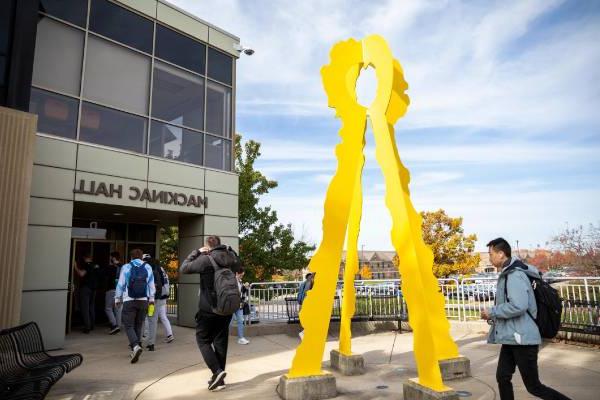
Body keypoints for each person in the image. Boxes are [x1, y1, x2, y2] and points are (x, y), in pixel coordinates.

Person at [481, 238, 571, 400]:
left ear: (501, 254)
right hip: (512, 337)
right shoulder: (509, 272)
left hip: (523, 339)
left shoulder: (514, 275)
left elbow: (519, 305)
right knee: (503, 377)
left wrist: (492, 312)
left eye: (491, 254)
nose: (490, 258)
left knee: (534, 387)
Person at [180, 235, 240, 392]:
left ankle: (217, 371)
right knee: (221, 342)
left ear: (207, 246)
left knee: (203, 339)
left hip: (209, 308)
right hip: (227, 308)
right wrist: (230, 249)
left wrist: (196, 252)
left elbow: (184, 268)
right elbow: (240, 265)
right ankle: (219, 381)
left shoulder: (205, 259)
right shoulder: (230, 257)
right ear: (220, 245)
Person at [115, 248, 155, 363]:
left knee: (128, 325)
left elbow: (121, 284)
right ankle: (136, 348)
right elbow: (151, 284)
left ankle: (135, 346)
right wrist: (151, 299)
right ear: (141, 257)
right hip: (143, 300)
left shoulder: (126, 267)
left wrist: (117, 298)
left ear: (131, 257)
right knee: (138, 324)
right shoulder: (147, 267)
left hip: (129, 300)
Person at [143, 255, 174, 350]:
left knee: (150, 318)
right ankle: (169, 334)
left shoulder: (153, 270)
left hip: (155, 298)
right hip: (162, 297)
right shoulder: (162, 270)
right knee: (162, 317)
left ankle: (147, 336)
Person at [74, 254, 100, 334]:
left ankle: (87, 327)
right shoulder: (96, 265)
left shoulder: (87, 265)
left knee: (85, 308)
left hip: (86, 288)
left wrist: (75, 266)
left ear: (86, 258)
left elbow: (81, 274)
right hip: (94, 289)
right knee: (91, 307)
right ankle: (92, 325)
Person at [100, 251, 121, 335]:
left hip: (111, 290)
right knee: (118, 309)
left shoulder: (109, 268)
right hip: (121, 291)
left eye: (111, 257)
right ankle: (118, 326)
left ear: (113, 258)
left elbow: (102, 276)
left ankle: (114, 325)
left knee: (108, 308)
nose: (110, 259)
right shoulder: (123, 267)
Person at [232, 269, 249, 345]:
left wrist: (245, 288)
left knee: (240, 321)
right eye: (241, 275)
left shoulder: (240, 281)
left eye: (242, 275)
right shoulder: (232, 281)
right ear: (236, 273)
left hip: (239, 304)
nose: (241, 276)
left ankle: (241, 338)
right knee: (228, 322)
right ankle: (218, 337)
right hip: (232, 304)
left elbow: (241, 292)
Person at [297, 272, 315, 340]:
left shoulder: (305, 283)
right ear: (308, 277)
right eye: (310, 277)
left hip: (304, 303)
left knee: (307, 319)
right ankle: (304, 333)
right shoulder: (308, 283)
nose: (311, 278)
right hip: (305, 303)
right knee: (307, 318)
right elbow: (305, 294)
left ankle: (305, 332)